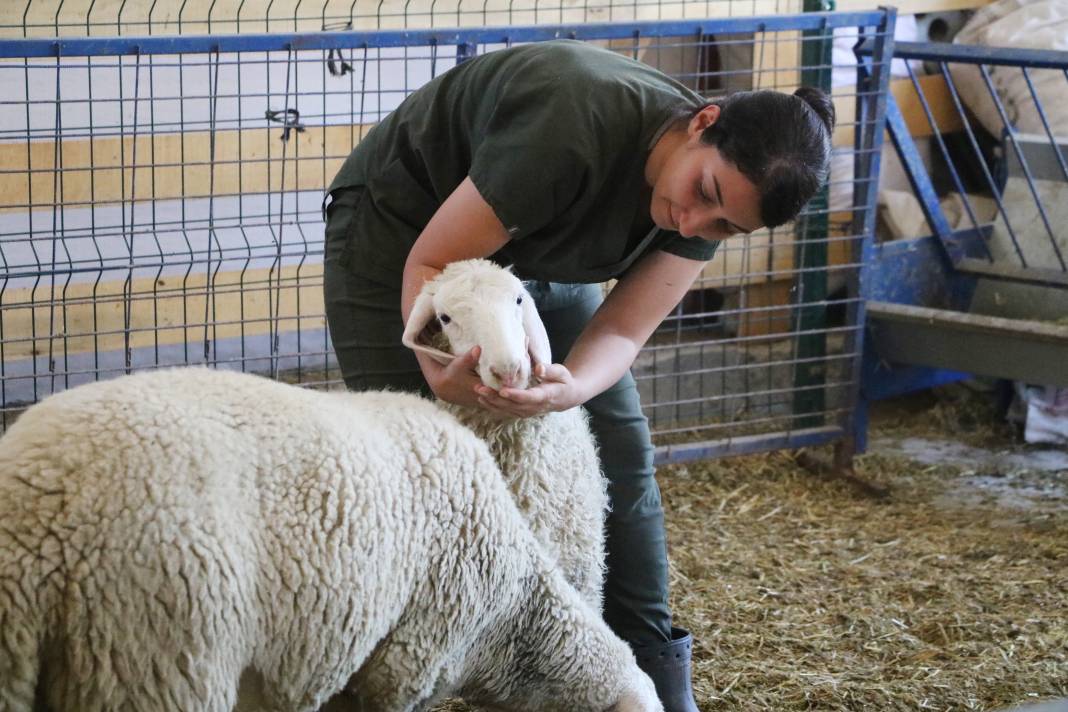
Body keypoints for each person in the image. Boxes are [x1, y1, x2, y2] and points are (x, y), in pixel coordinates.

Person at [322, 39, 834, 711]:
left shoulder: (712, 201)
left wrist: (573, 389)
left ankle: (648, 687)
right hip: (405, 230)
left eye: (725, 226)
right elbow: (432, 261)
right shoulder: (572, 120)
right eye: (703, 193)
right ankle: (364, 679)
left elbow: (622, 330)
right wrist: (437, 368)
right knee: (417, 465)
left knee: (618, 453)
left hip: (538, 257)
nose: (693, 221)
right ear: (703, 121)